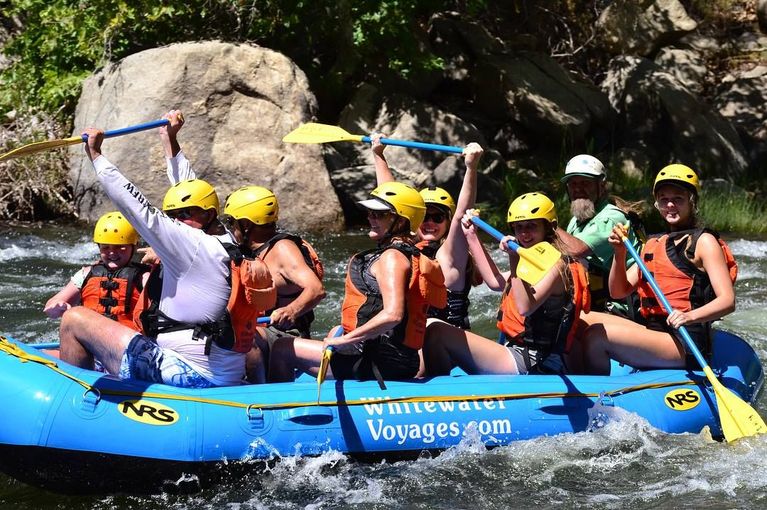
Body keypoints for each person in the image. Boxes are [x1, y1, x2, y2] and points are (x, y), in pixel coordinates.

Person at [58, 126, 275, 388]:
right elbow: (190, 190)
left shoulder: (191, 244)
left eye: (182, 215)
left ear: (207, 215)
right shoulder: (226, 240)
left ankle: (74, 402)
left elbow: (136, 207)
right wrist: (169, 140)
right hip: (218, 370)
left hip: (188, 372)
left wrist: (96, 155)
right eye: (172, 215)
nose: (176, 222)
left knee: (74, 319)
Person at [267, 181, 447, 384]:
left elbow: (393, 314)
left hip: (378, 360)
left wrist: (345, 340)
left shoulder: (392, 258)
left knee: (282, 348)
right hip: (390, 357)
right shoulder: (405, 253)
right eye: (370, 213)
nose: (370, 218)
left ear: (401, 221)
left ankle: (274, 406)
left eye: (379, 214)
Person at [581, 164, 737, 374]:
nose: (670, 205)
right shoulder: (654, 243)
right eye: (664, 199)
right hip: (655, 331)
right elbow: (618, 291)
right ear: (657, 203)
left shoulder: (704, 242)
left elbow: (727, 301)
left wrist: (689, 316)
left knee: (596, 337)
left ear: (692, 202)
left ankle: (594, 398)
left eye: (678, 199)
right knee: (581, 318)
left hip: (685, 340)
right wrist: (619, 253)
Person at [423, 192, 590, 376]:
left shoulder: (556, 265)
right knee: (433, 327)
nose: (524, 234)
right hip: (522, 353)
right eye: (519, 228)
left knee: (437, 331)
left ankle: (440, 396)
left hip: (536, 361)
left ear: (549, 227)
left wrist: (513, 259)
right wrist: (471, 236)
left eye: (531, 226)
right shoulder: (534, 259)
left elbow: (525, 307)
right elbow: (495, 281)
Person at [370, 134, 484, 329]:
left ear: (448, 222)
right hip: (415, 340)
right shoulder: (407, 246)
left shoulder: (449, 254)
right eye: (424, 217)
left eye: (438, 217)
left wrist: (471, 168)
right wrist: (378, 155)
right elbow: (392, 202)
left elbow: (461, 214)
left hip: (447, 345)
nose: (430, 223)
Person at [221, 185, 326, 382]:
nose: (230, 227)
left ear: (246, 224)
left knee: (245, 338)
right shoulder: (249, 250)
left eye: (231, 222)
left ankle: (258, 394)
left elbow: (316, 289)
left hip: (284, 333)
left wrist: (291, 310)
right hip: (261, 327)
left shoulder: (282, 249)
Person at [555, 154, 644, 318]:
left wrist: (547, 224)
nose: (577, 188)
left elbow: (577, 250)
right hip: (595, 302)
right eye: (573, 184)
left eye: (585, 183)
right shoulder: (577, 220)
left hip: (622, 307)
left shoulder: (610, 218)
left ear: (601, 186)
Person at [44, 211, 149, 327]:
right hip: (90, 337)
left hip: (126, 339)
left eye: (120, 247)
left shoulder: (144, 277)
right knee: (71, 316)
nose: (112, 252)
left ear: (134, 247)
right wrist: (55, 306)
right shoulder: (85, 274)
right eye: (105, 247)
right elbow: (52, 303)